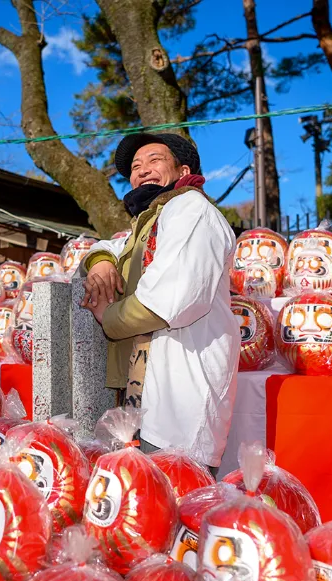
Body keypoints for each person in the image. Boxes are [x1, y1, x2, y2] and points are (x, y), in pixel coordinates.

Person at [81, 133, 239, 469]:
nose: (142, 170)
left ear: (183, 171)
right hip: (145, 398)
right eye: (135, 167)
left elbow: (168, 301)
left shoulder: (190, 209)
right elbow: (110, 246)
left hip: (177, 403)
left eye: (154, 160)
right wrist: (101, 262)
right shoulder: (149, 222)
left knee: (177, 499)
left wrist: (108, 316)